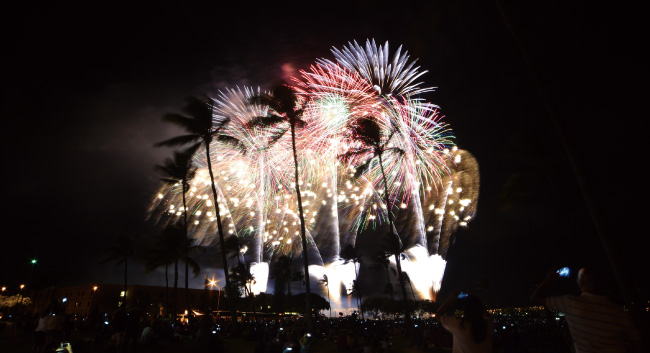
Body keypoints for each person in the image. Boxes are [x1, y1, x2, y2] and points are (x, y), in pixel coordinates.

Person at [531, 267, 643, 353]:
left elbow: (535, 298)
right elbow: (637, 343)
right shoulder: (620, 312)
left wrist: (549, 279)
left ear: (580, 282)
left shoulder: (571, 304)